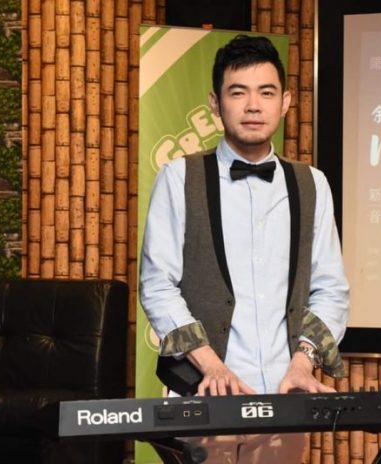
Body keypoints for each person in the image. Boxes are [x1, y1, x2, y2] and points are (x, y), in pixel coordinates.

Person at [139, 34, 349, 463]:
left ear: (285, 102)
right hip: (202, 394)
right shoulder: (179, 177)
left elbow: (330, 288)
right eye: (238, 93)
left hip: (284, 400)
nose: (253, 106)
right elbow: (157, 284)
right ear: (215, 104)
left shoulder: (312, 184)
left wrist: (303, 363)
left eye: (266, 93)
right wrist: (211, 366)